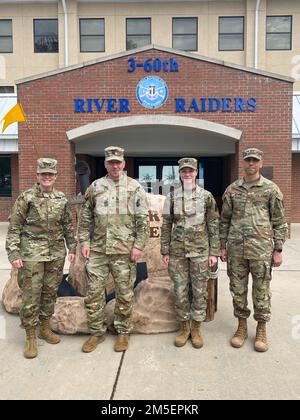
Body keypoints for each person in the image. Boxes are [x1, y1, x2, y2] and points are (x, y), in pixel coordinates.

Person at [78, 146, 149, 353]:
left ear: (124, 164)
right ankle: (96, 333)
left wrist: (138, 246)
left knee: (125, 294)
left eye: (118, 162)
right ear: (106, 164)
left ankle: (123, 332)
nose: (115, 165)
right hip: (98, 251)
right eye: (111, 162)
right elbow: (85, 218)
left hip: (124, 252)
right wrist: (84, 243)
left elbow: (142, 220)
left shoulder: (134, 187)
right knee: (93, 293)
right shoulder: (95, 187)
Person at [6, 158, 76, 359]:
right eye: (43, 174)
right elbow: (14, 228)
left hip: (55, 254)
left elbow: (67, 227)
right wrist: (14, 253)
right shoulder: (26, 198)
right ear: (37, 176)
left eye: (50, 174)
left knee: (50, 292)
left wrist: (72, 247)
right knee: (31, 294)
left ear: (55, 176)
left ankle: (45, 328)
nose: (47, 177)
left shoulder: (61, 199)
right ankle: (30, 336)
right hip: (31, 254)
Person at [220, 148, 288, 352]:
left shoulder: (271, 189)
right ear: (243, 163)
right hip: (237, 251)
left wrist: (278, 249)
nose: (251, 164)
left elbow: (279, 221)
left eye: (254, 161)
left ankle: (261, 328)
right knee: (238, 291)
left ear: (260, 163)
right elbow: (224, 220)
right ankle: (241, 327)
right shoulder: (232, 190)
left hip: (261, 251)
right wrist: (222, 247)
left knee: (261, 291)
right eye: (248, 160)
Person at [160, 157, 220, 348]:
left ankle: (196, 328)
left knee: (200, 291)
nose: (187, 174)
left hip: (200, 252)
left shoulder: (206, 196)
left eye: (190, 171)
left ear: (196, 173)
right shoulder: (172, 197)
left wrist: (214, 252)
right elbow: (166, 224)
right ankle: (184, 327)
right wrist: (165, 250)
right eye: (184, 171)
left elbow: (213, 225)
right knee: (179, 291)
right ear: (180, 173)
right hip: (177, 252)